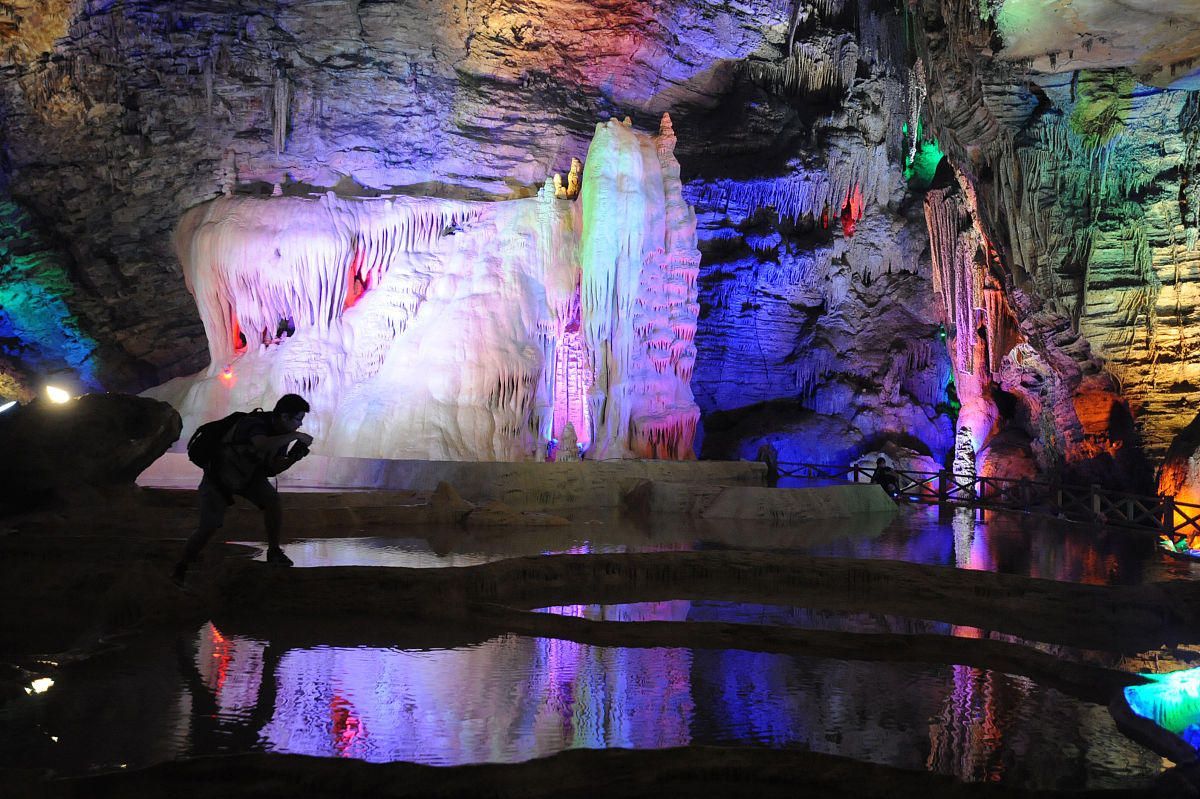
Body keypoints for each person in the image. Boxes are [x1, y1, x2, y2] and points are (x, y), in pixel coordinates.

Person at [172, 394, 313, 585]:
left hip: (248, 478)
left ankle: (274, 551)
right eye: (298, 420)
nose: (299, 425)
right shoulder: (255, 423)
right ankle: (180, 568)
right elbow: (261, 444)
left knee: (272, 500)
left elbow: (273, 469)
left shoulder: (282, 437)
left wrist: (294, 458)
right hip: (219, 477)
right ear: (285, 417)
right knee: (208, 527)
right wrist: (294, 436)